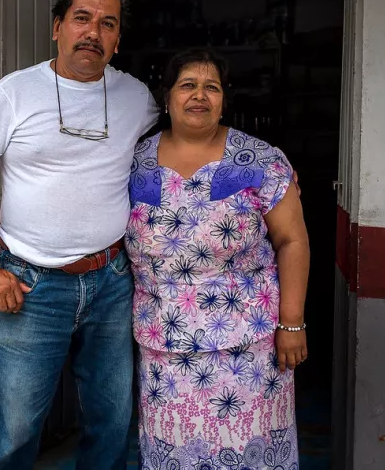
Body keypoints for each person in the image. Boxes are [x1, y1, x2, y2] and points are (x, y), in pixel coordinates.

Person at [0, 0, 159, 470]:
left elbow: (185, 141)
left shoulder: (138, 98)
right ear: (57, 27)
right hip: (29, 286)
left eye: (108, 24)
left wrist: (258, 164)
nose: (93, 32)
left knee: (110, 423)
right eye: (82, 18)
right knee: (17, 430)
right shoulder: (14, 94)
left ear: (118, 39)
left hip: (111, 281)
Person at [127, 48, 309, 468]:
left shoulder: (259, 160)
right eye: (187, 85)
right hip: (164, 351)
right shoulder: (134, 161)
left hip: (250, 347)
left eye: (211, 87)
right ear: (167, 96)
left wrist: (293, 323)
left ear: (224, 98)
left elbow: (293, 241)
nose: (199, 96)